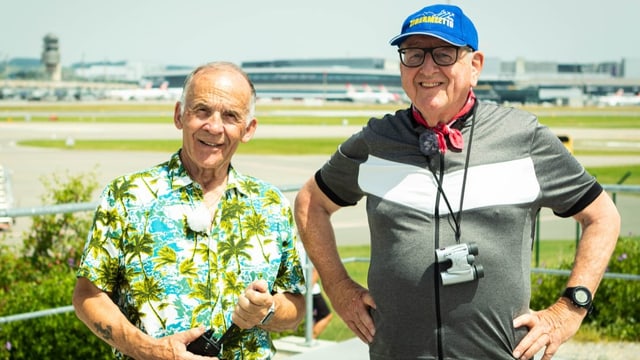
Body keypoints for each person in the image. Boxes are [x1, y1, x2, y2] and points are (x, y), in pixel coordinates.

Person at [294, 4, 620, 360]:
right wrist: (338, 288)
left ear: (474, 65)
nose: (427, 68)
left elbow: (603, 216)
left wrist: (570, 308)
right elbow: (310, 202)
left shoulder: (523, 138)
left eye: (444, 54)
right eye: (413, 54)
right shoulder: (377, 141)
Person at [73, 61, 306, 360]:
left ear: (248, 130)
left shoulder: (270, 204)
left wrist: (267, 311)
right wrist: (147, 349)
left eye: (231, 116)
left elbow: (296, 306)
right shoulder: (127, 196)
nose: (214, 127)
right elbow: (87, 296)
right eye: (202, 111)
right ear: (179, 115)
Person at [310, 267, 333, 339]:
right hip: (312, 292)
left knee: (313, 319)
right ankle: (310, 338)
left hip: (310, 291)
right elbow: (316, 269)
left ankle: (310, 338)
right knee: (326, 316)